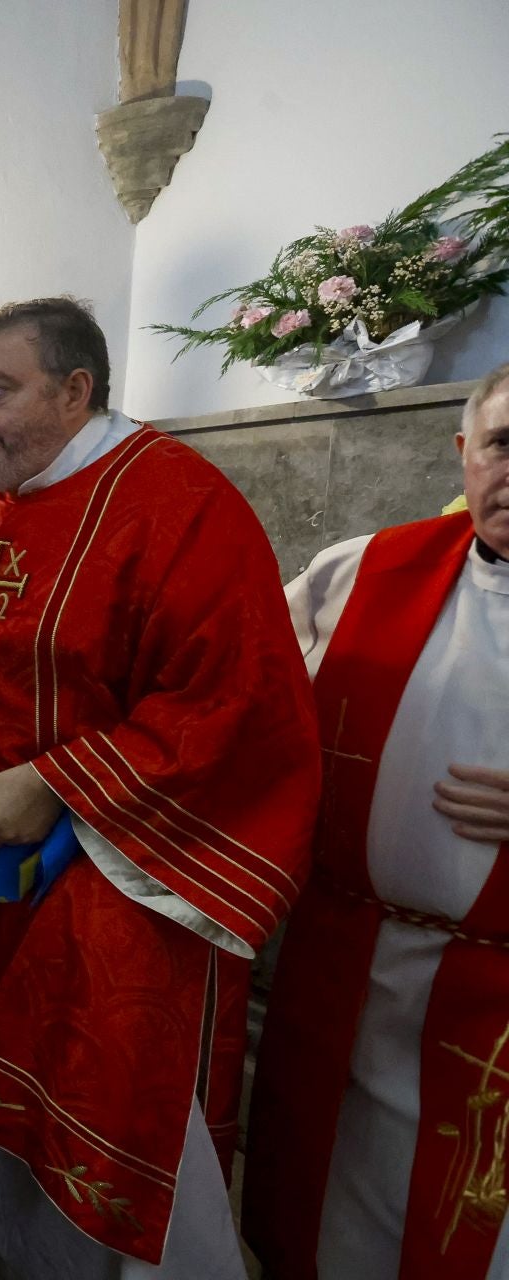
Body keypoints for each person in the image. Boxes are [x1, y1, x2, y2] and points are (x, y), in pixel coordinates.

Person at [0, 297, 319, 1278]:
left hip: (109, 898)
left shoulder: (178, 505)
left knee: (95, 1139)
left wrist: (60, 783)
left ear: (76, 388)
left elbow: (236, 702)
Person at [244, 365, 509, 1279]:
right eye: (505, 444)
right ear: (464, 453)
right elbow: (238, 687)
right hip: (341, 967)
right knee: (319, 1216)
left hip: (497, 1012)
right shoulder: (360, 570)